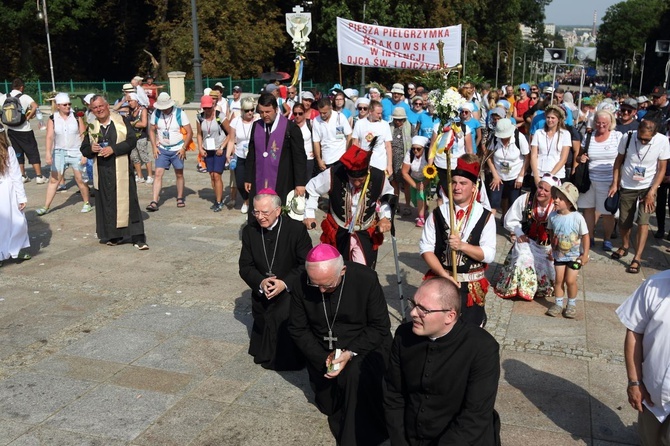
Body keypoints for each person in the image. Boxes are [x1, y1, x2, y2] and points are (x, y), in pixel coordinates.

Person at [288, 244, 392, 446]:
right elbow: (297, 328)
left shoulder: (366, 279)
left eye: (327, 284)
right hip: (322, 348)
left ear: (342, 271)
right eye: (315, 283)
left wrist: (349, 352)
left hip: (363, 343)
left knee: (354, 377)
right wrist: (322, 357)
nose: (320, 290)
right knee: (328, 405)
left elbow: (380, 327)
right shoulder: (303, 281)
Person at [383, 277, 501, 446]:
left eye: (423, 309)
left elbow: (475, 415)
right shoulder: (403, 336)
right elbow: (393, 394)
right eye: (413, 303)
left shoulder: (482, 348)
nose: (413, 313)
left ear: (450, 316)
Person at [239, 189, 312, 370]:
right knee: (264, 312)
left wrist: (284, 283)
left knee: (282, 315)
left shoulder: (296, 230)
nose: (260, 217)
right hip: (263, 289)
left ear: (278, 211)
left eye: (265, 212)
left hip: (290, 290)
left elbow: (306, 265)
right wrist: (261, 282)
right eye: (256, 212)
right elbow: (245, 266)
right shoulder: (250, 231)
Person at [419, 156, 496, 326]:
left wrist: (462, 246)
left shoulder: (485, 217)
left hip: (470, 285)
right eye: (454, 182)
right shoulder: (438, 214)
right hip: (443, 279)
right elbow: (426, 248)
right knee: (440, 328)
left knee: (470, 331)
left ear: (474, 188)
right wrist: (442, 273)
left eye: (463, 183)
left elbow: (489, 254)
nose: (457, 187)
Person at [304, 143, 395, 269]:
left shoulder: (378, 176)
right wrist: (309, 214)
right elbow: (312, 188)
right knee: (338, 269)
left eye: (361, 180)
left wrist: (385, 217)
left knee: (364, 272)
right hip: (338, 230)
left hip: (366, 230)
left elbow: (388, 195)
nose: (357, 183)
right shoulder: (333, 174)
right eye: (353, 180)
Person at [80, 95, 148, 250]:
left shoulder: (121, 121)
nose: (98, 109)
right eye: (95, 108)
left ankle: (138, 237)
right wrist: (91, 149)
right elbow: (83, 149)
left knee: (130, 203)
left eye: (100, 106)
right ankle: (114, 235)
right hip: (103, 172)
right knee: (108, 204)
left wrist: (114, 149)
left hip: (121, 169)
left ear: (107, 105)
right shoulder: (91, 126)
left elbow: (131, 141)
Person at [616, 270, 670, 446]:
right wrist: (634, 382)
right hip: (651, 400)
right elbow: (634, 332)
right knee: (648, 440)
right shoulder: (655, 284)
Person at [609, 120, 670, 274]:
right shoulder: (628, 137)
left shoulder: (662, 141)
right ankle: (625, 245)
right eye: (641, 138)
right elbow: (618, 161)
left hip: (648, 186)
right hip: (628, 185)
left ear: (654, 135)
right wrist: (615, 183)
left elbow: (662, 169)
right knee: (624, 222)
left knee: (643, 221)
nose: (643, 141)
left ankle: (637, 257)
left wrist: (653, 190)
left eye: (646, 140)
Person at [494, 174, 558, 300]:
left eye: (546, 190)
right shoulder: (526, 199)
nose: (541, 192)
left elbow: (564, 230)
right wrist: (519, 233)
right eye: (540, 188)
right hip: (527, 241)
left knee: (552, 268)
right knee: (524, 256)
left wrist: (556, 248)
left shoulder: (556, 206)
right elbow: (510, 219)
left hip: (548, 247)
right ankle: (521, 288)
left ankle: (539, 286)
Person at [244, 93, 306, 208]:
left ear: (276, 109)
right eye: (261, 112)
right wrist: (248, 177)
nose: (264, 115)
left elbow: (299, 157)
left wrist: (300, 183)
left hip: (282, 179)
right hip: (259, 178)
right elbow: (251, 153)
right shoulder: (256, 126)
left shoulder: (290, 128)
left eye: (268, 111)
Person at [36, 93, 92, 216]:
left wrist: (84, 154)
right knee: (54, 180)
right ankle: (46, 206)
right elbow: (49, 137)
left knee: (80, 179)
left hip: (76, 151)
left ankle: (86, 203)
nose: (67, 106)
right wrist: (48, 154)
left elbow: (84, 136)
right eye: (64, 104)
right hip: (59, 152)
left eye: (69, 104)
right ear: (58, 106)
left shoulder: (77, 117)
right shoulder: (52, 118)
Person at [575, 110, 622, 251]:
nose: (601, 125)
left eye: (604, 123)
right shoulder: (589, 136)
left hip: (608, 181)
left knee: (607, 212)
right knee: (588, 210)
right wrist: (580, 159)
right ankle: (590, 237)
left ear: (610, 123)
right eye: (598, 122)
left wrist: (616, 182)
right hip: (588, 180)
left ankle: (607, 239)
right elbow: (579, 156)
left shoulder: (617, 137)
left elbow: (622, 159)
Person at [545, 182, 589, 318]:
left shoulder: (577, 217)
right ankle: (558, 303)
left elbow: (585, 236)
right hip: (559, 255)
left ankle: (571, 304)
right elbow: (551, 233)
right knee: (558, 280)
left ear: (569, 203)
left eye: (560, 198)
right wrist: (552, 249)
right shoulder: (552, 216)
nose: (556, 200)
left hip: (574, 256)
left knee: (570, 280)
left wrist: (585, 254)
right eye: (556, 197)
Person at [146, 92, 193, 211]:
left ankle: (180, 197)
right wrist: (154, 147)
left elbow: (189, 132)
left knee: (179, 173)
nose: (164, 110)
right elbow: (151, 130)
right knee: (158, 174)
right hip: (162, 148)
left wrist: (183, 148)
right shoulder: (156, 113)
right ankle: (154, 201)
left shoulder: (179, 113)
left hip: (177, 149)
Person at [485, 118, 529, 219]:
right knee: (493, 202)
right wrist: (495, 175)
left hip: (515, 174)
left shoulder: (519, 138)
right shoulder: (494, 139)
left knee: (514, 203)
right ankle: (489, 226)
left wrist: (521, 176)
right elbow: (489, 157)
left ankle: (513, 230)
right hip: (498, 175)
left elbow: (527, 157)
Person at [5, 79, 47, 184]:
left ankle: (22, 175)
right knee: (32, 151)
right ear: (22, 87)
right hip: (25, 130)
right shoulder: (25, 97)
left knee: (17, 152)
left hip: (11, 130)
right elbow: (35, 106)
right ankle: (39, 176)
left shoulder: (4, 97)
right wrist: (27, 117)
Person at [0, 127, 31, 266]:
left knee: (17, 221)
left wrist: (21, 197)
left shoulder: (8, 151)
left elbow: (16, 175)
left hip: (8, 191)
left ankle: (16, 248)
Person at [196, 95, 229, 212]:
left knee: (217, 175)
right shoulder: (199, 118)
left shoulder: (220, 116)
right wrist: (200, 148)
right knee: (211, 175)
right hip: (207, 149)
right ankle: (217, 197)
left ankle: (219, 201)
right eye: (205, 108)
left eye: (209, 108)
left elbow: (230, 133)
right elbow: (199, 134)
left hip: (219, 149)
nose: (207, 110)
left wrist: (222, 147)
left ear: (213, 106)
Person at [227, 97, 257, 214]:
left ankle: (249, 202)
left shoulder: (257, 120)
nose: (250, 112)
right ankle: (245, 199)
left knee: (253, 181)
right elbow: (231, 140)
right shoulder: (236, 121)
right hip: (240, 154)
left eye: (252, 110)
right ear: (242, 110)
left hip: (254, 156)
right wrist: (228, 154)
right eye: (247, 110)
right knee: (240, 182)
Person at [530, 105, 572, 186]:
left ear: (559, 119)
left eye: (553, 118)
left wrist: (548, 177)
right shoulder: (539, 133)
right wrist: (536, 176)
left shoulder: (565, 134)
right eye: (548, 117)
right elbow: (534, 155)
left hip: (556, 175)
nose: (550, 120)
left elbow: (563, 159)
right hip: (539, 173)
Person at [352, 99, 393, 175]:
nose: (380, 115)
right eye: (378, 113)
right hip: (363, 163)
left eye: (381, 113)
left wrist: (389, 165)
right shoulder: (359, 123)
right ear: (370, 112)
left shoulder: (385, 125)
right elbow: (355, 143)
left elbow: (388, 146)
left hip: (380, 164)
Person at [312, 97, 352, 172]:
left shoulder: (340, 117)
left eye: (325, 113)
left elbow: (349, 135)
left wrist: (347, 154)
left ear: (330, 108)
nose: (322, 115)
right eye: (320, 113)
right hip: (326, 160)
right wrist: (319, 160)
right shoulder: (316, 121)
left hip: (341, 158)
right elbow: (316, 142)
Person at [401, 135, 431, 227]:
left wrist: (424, 183)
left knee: (420, 195)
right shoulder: (410, 154)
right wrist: (415, 185)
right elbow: (404, 172)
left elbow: (431, 171)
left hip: (426, 177)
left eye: (418, 149)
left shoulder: (427, 154)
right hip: (413, 177)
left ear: (423, 148)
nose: (415, 151)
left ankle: (421, 218)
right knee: (415, 200)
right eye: (413, 149)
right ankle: (423, 206)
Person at [389, 107, 413, 214]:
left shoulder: (410, 127)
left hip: (405, 159)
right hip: (392, 160)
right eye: (396, 119)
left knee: (406, 184)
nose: (398, 122)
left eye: (400, 120)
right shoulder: (389, 127)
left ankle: (407, 205)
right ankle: (396, 204)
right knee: (394, 184)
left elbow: (414, 143)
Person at [127, 93, 153, 185]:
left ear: (136, 100)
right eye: (128, 101)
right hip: (132, 136)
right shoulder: (130, 110)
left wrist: (131, 123)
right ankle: (140, 176)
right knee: (134, 157)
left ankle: (150, 175)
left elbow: (144, 124)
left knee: (144, 156)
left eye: (131, 101)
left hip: (141, 136)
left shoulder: (142, 110)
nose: (129, 103)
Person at [292, 103, 314, 181]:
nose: (297, 116)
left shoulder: (311, 123)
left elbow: (318, 139)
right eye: (295, 114)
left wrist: (317, 152)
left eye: (300, 113)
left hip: (309, 158)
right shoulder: (290, 125)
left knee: (308, 183)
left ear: (304, 113)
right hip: (295, 159)